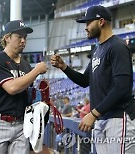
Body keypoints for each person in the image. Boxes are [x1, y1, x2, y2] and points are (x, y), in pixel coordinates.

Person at [51, 5, 135, 153]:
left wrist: (94, 113)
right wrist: (64, 67)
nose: (86, 27)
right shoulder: (98, 49)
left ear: (101, 21)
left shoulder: (117, 46)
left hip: (118, 118)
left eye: (88, 22)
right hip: (102, 119)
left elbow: (121, 87)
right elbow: (84, 80)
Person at [0, 20, 47, 154]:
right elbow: (12, 88)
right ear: (7, 38)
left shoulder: (26, 66)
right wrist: (36, 71)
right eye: (19, 37)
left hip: (20, 124)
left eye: (25, 37)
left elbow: (27, 94)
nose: (23, 40)